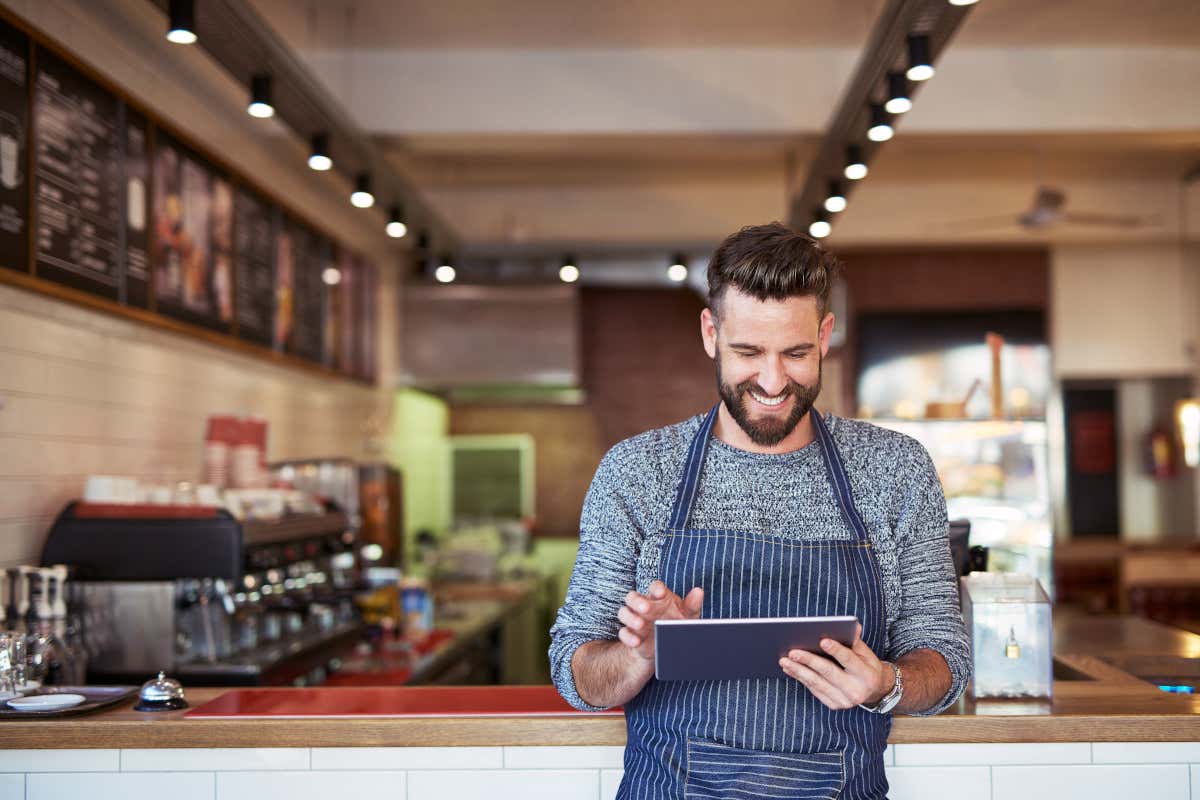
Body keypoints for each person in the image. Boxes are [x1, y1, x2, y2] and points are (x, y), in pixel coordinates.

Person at [549, 222, 971, 800]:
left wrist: (887, 684)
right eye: (748, 352)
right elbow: (578, 674)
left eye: (795, 353)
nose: (773, 382)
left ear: (825, 335)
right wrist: (637, 657)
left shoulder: (895, 471)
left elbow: (944, 656)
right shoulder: (636, 472)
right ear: (710, 333)